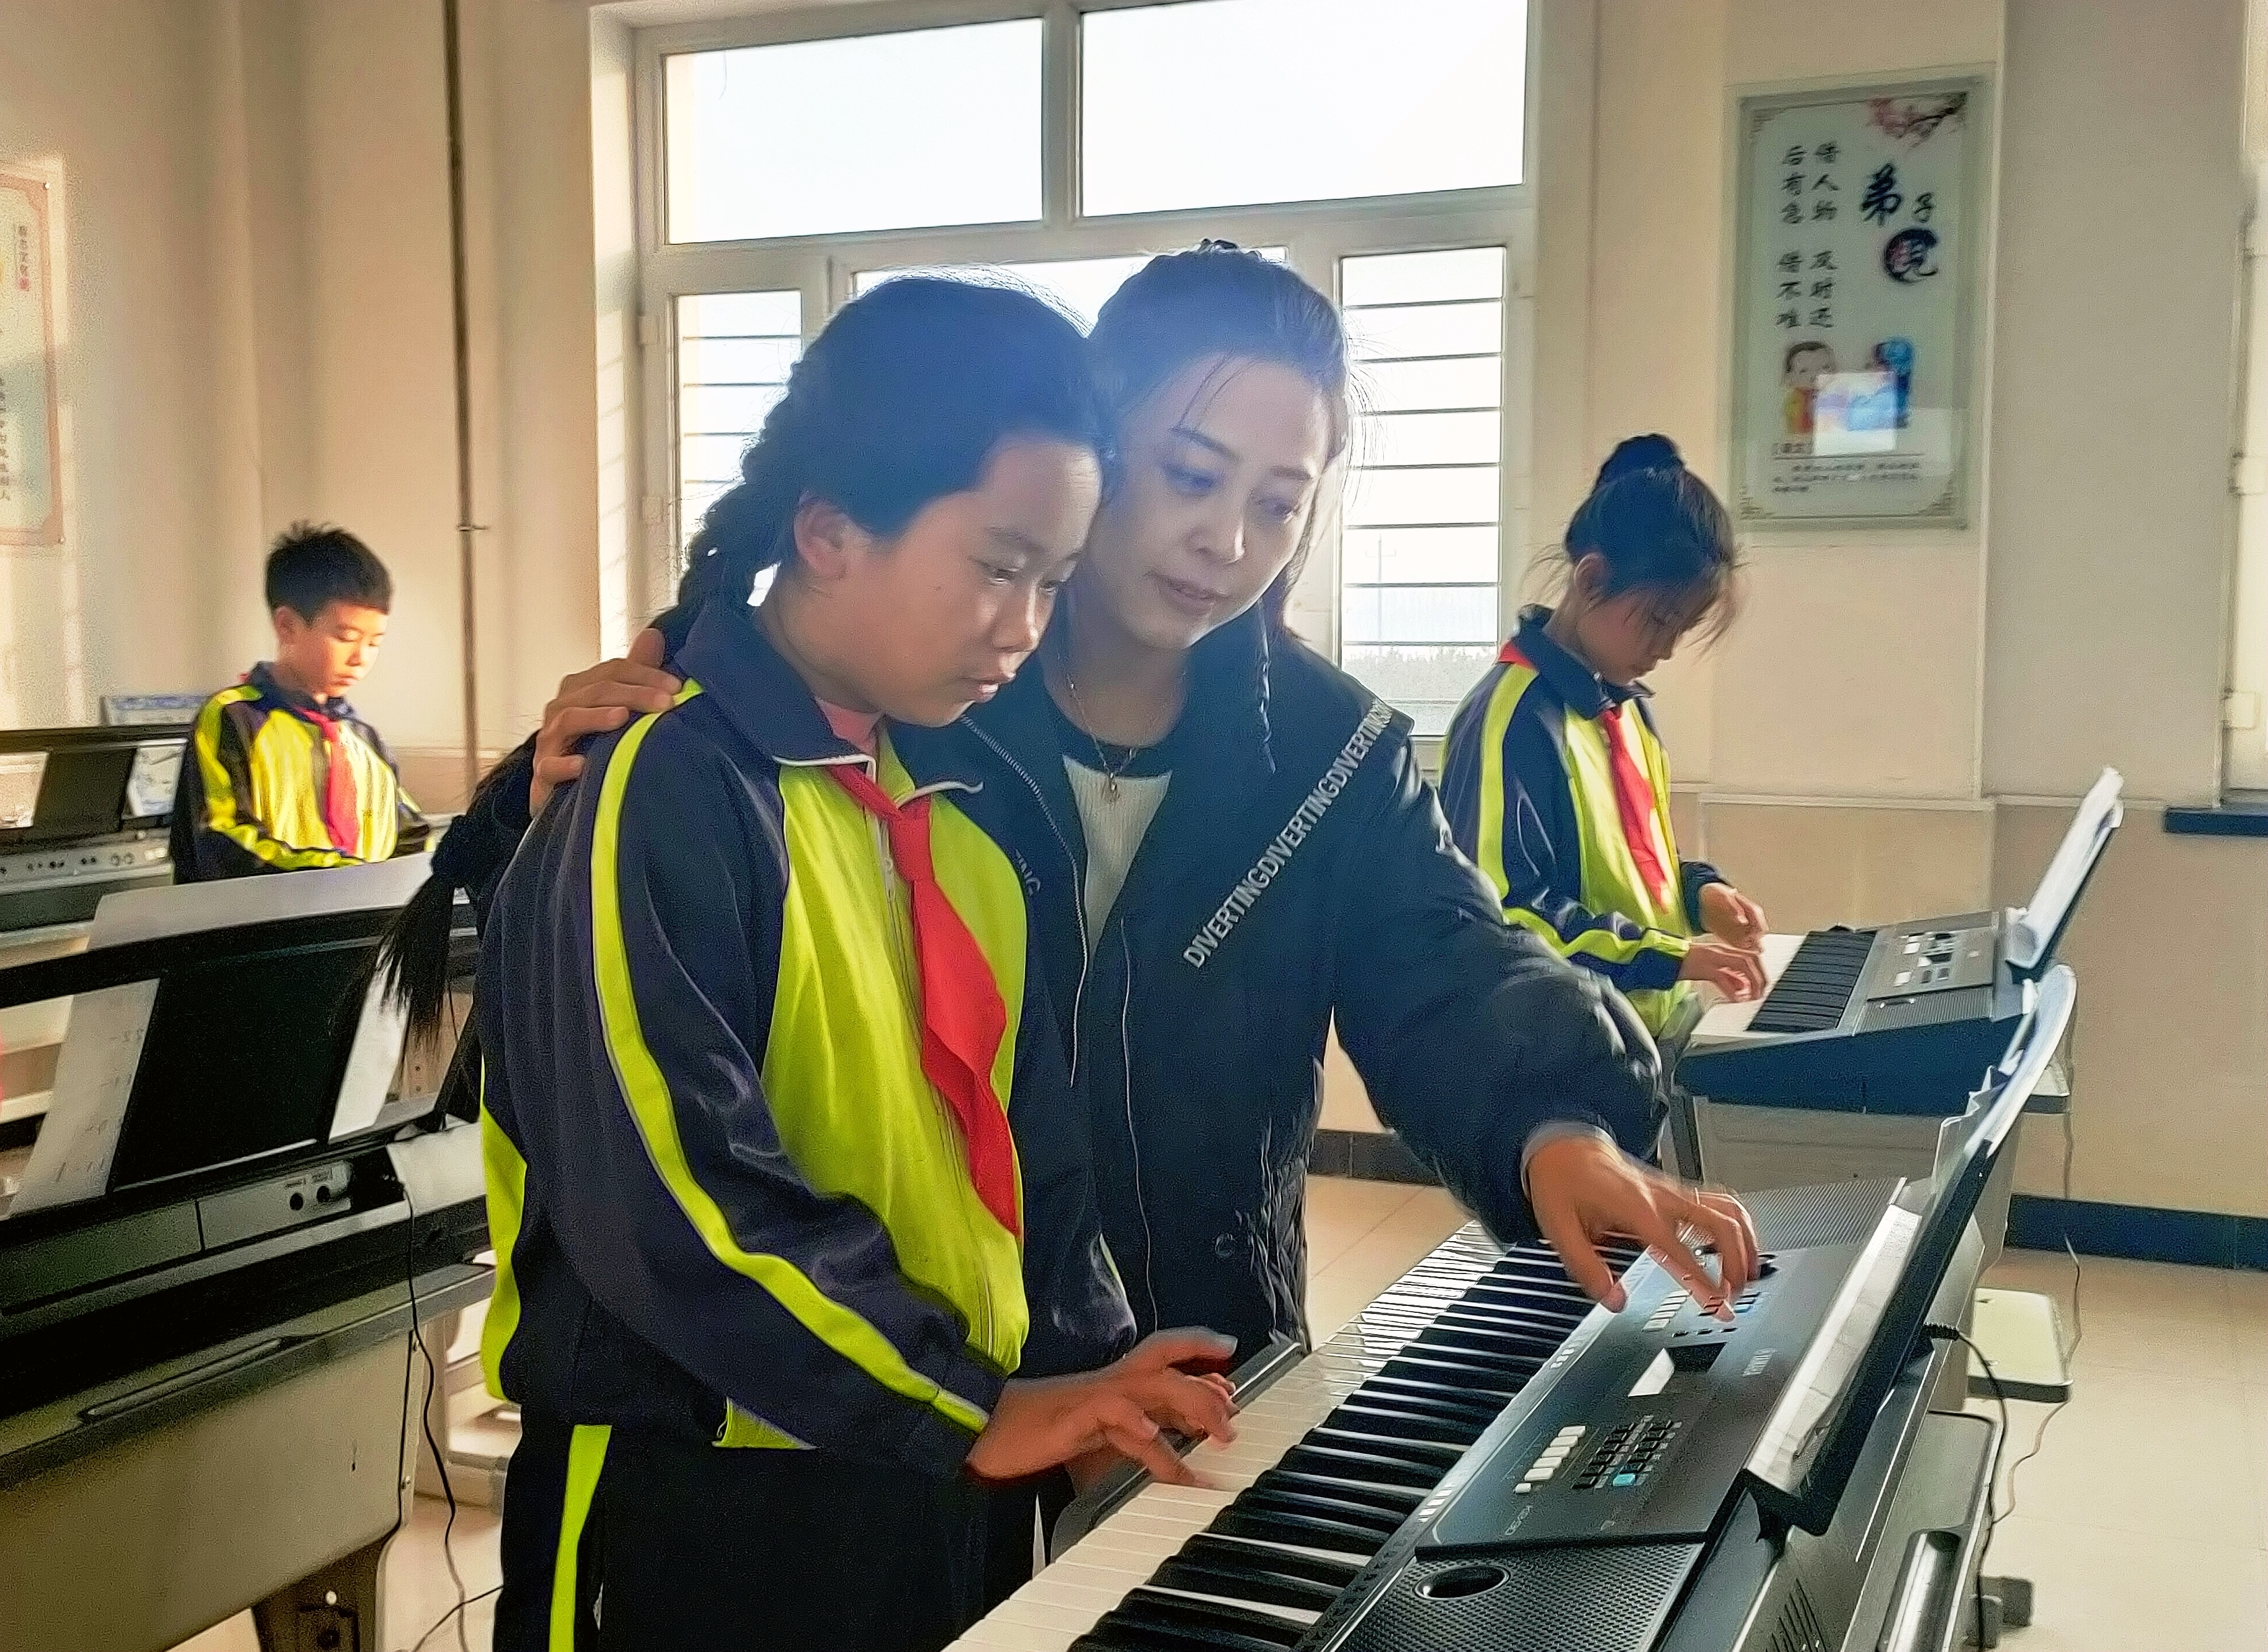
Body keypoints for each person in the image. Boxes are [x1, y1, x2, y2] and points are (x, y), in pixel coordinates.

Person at [446, 247, 1758, 1597]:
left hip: (1175, 1357)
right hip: (842, 1410)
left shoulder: (1325, 749)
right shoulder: (908, 705)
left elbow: (1442, 960)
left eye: (1276, 501)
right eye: (1188, 475)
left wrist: (1552, 1125)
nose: (1226, 540)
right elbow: (640, 1084)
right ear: (1090, 443)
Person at [467, 277, 1235, 1652]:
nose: (1024, 623)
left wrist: (1077, 1376)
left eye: (1053, 581)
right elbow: (674, 1204)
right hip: (703, 1511)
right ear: (827, 530)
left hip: (929, 1464)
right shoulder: (662, 787)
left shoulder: (962, 801)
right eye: (997, 565)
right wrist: (959, 1405)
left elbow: (1025, 1154)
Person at [1440, 434, 1770, 1046]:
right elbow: (1506, 912)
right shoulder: (1512, 718)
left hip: (1645, 1037)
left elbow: (1625, 874)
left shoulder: (1625, 710)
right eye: (1658, 621)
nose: (1667, 649)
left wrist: (1701, 895)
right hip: (1556, 1058)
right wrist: (1673, 957)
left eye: (1684, 627)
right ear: (1591, 580)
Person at [172, 522, 424, 881]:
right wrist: (346, 877)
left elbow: (411, 837)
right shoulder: (235, 719)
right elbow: (225, 841)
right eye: (346, 637)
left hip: (356, 927)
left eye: (375, 642)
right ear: (287, 626)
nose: (361, 658)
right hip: (269, 930)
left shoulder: (363, 740)